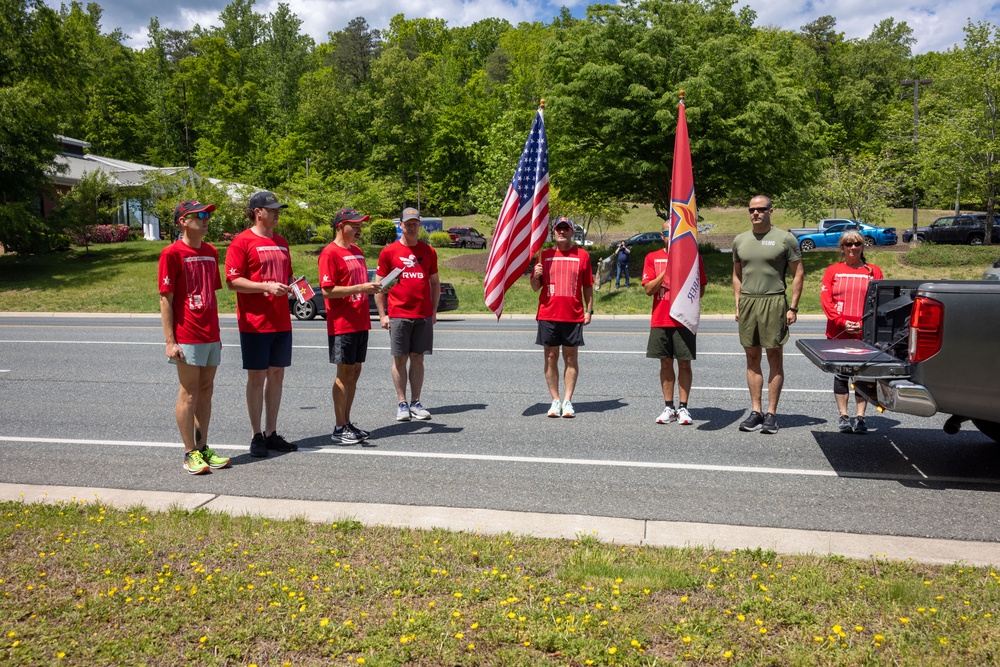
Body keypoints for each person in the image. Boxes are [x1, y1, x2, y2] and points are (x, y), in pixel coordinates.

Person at [158, 200, 230, 475]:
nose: (205, 218)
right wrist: (170, 341)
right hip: (187, 335)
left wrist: (217, 333)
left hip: (210, 334)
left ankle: (203, 447)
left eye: (208, 214)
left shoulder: (211, 252)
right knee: (188, 394)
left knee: (206, 391)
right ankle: (189, 453)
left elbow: (211, 296)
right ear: (182, 222)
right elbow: (166, 299)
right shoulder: (171, 254)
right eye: (199, 215)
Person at [225, 190, 298, 457]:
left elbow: (286, 275)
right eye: (273, 209)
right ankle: (256, 435)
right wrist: (264, 286)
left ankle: (271, 432)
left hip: (281, 320)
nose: (278, 212)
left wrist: (292, 288)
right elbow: (232, 281)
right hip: (255, 323)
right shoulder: (241, 242)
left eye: (279, 208)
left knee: (277, 375)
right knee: (257, 377)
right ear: (258, 213)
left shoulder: (281, 242)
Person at [732, 195, 804, 434]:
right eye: (752, 209)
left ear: (771, 211)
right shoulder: (740, 240)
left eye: (761, 209)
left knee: (774, 358)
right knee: (752, 359)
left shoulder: (785, 239)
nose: (756, 213)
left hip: (774, 302)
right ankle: (756, 411)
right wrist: (737, 304)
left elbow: (798, 274)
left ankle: (772, 413)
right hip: (749, 302)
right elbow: (737, 275)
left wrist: (792, 307)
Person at [319, 207, 383, 444]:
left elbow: (359, 284)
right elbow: (327, 291)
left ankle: (347, 422)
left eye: (360, 225)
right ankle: (338, 427)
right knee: (343, 373)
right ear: (340, 227)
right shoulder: (329, 253)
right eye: (354, 225)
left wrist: (373, 287)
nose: (359, 229)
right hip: (342, 322)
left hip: (360, 320)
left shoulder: (357, 251)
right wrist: (360, 288)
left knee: (355, 372)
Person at [375, 207, 440, 422]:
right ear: (400, 225)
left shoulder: (428, 251)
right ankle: (402, 403)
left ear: (418, 225)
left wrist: (433, 310)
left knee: (418, 359)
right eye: (408, 223)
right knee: (400, 358)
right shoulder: (389, 252)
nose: (412, 227)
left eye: (415, 223)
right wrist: (383, 315)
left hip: (422, 315)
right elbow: (379, 286)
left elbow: (434, 283)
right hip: (399, 314)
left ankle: (416, 402)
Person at [642, 219, 706, 426]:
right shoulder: (652, 258)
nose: (671, 236)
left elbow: (701, 290)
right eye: (667, 232)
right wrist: (667, 270)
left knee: (684, 364)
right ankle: (669, 407)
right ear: (663, 236)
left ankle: (683, 408)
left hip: (683, 320)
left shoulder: (692, 257)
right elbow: (649, 289)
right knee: (665, 363)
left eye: (675, 232)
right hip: (661, 319)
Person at [820, 228, 884, 435]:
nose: (853, 247)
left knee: (863, 377)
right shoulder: (832, 271)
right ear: (842, 247)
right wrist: (841, 322)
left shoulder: (873, 271)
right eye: (848, 244)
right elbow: (826, 300)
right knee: (841, 376)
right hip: (839, 332)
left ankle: (860, 417)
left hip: (865, 333)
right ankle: (843, 416)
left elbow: (881, 301)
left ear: (863, 246)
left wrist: (866, 325)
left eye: (857, 243)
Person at [531, 216, 595, 418]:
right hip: (548, 314)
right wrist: (535, 275)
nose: (561, 232)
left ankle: (567, 401)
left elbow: (587, 286)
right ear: (553, 232)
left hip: (573, 315)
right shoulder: (544, 255)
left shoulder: (582, 255)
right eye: (558, 229)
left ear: (571, 233)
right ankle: (555, 400)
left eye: (565, 229)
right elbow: (534, 287)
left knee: (570, 358)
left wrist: (589, 310)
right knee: (550, 357)